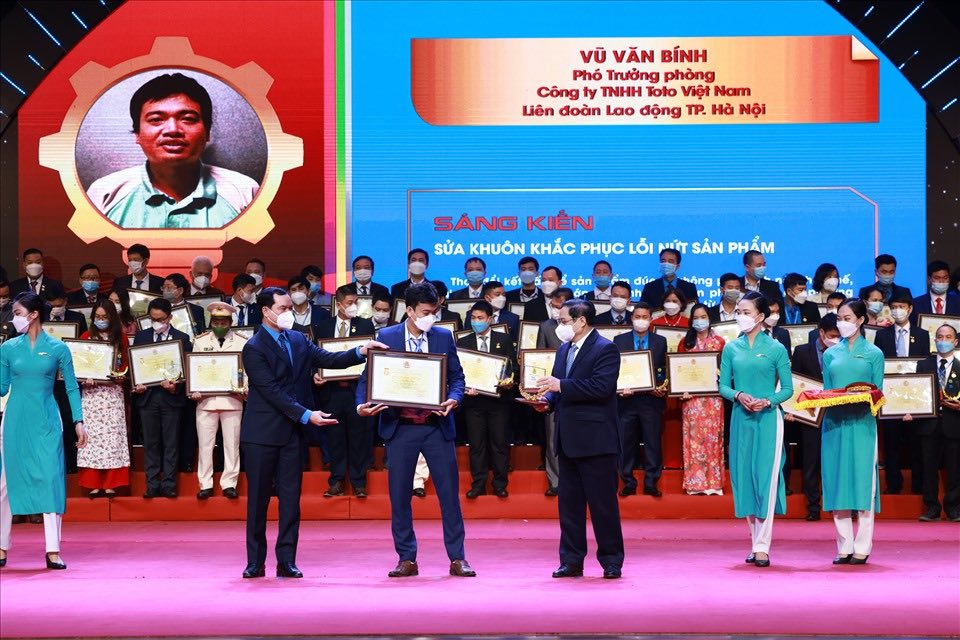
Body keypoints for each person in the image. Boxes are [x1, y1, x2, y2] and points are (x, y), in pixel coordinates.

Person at [240, 287, 378, 579]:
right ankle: (255, 562)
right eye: (282, 308)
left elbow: (329, 359)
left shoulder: (299, 339)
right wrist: (306, 415)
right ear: (266, 311)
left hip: (292, 434)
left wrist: (360, 351)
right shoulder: (253, 347)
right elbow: (271, 391)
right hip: (262, 434)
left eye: (290, 307)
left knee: (291, 501)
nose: (289, 313)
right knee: (259, 501)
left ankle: (286, 560)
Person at [356, 282, 475, 578]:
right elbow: (367, 377)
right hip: (400, 429)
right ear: (409, 311)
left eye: (434, 312)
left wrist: (454, 398)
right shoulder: (387, 336)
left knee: (449, 495)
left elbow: (457, 378)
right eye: (425, 312)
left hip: (436, 427)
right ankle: (406, 557)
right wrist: (361, 405)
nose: (431, 317)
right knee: (399, 497)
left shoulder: (444, 336)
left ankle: (458, 557)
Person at [86, 73, 259, 228]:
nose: (172, 129)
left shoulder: (244, 192)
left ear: (207, 133)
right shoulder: (104, 193)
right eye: (156, 119)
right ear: (137, 133)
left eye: (188, 119)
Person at [533, 298, 624, 579]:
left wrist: (560, 386)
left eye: (563, 321)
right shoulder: (563, 349)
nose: (560, 326)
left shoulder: (605, 348)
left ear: (580, 321)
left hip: (597, 440)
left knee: (603, 506)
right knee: (569, 507)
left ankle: (611, 561)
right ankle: (571, 560)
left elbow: (601, 387)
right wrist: (545, 400)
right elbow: (557, 385)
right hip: (568, 438)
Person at [0, 292, 87, 570]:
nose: (14, 317)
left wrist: (79, 421)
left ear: (33, 314)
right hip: (14, 420)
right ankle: (2, 546)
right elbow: (2, 387)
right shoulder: (8, 348)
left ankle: (53, 549)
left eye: (17, 312)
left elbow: (71, 387)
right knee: (5, 483)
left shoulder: (59, 349)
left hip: (48, 420)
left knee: (50, 478)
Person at [718, 291, 792, 568]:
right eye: (739, 311)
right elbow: (723, 385)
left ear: (761, 317)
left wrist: (768, 400)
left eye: (747, 312)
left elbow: (787, 389)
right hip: (741, 418)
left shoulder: (776, 348)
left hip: (769, 420)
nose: (741, 316)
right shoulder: (731, 348)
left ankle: (763, 546)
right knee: (744, 477)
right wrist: (739, 396)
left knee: (765, 480)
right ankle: (754, 543)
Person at [820, 299, 884, 565]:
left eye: (847, 318)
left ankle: (862, 546)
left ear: (860, 320)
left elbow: (878, 394)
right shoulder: (830, 354)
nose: (842, 323)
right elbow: (825, 392)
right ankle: (843, 546)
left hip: (862, 425)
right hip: (834, 424)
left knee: (862, 484)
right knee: (837, 483)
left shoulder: (874, 353)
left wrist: (863, 399)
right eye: (839, 318)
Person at [315, 286, 375, 498]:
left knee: (358, 437)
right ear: (338, 304)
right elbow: (315, 356)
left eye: (355, 302)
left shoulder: (365, 324)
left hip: (355, 392)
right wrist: (315, 373)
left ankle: (359, 483)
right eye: (349, 303)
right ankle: (337, 481)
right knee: (335, 438)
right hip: (331, 392)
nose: (353, 306)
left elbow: (371, 358)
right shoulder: (323, 326)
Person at [131, 298, 193, 498]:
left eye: (161, 319)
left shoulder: (182, 338)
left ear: (170, 317)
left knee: (171, 443)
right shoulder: (141, 336)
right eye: (153, 319)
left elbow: (187, 370)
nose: (157, 322)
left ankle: (168, 484)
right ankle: (151, 484)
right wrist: (136, 385)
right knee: (151, 443)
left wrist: (177, 386)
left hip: (171, 399)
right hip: (147, 398)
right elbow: (136, 367)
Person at [189, 302, 247, 500]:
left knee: (232, 445)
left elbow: (246, 370)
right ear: (210, 322)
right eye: (215, 321)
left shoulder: (242, 341)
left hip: (232, 400)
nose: (219, 324)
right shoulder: (200, 341)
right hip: (205, 401)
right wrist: (194, 389)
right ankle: (205, 484)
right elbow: (195, 368)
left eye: (223, 321)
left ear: (230, 322)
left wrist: (244, 389)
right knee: (205, 445)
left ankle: (229, 483)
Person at [874, 292, 930, 495]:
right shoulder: (882, 335)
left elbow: (926, 366)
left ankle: (918, 485)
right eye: (894, 306)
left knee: (917, 442)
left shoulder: (922, 334)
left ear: (910, 309)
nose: (898, 310)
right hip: (891, 397)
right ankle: (893, 484)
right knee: (892, 441)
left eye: (902, 306)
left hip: (916, 396)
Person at [458, 301, 515, 498]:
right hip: (473, 402)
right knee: (477, 444)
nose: (476, 322)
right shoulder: (463, 342)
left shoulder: (504, 339)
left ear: (490, 319)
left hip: (498, 401)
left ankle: (500, 484)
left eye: (480, 318)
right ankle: (478, 484)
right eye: (473, 318)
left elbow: (512, 368)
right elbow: (459, 372)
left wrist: (508, 381)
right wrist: (464, 388)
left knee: (499, 443)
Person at [613, 302, 667, 497]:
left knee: (653, 442)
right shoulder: (619, 341)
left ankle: (651, 482)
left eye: (645, 317)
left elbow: (663, 370)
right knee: (626, 442)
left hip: (651, 401)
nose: (641, 320)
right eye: (638, 317)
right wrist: (619, 389)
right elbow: (615, 370)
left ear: (650, 319)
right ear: (631, 318)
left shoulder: (660, 341)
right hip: (626, 401)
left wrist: (660, 387)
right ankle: (628, 481)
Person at [789, 313, 841, 521]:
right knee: (811, 462)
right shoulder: (802, 351)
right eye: (832, 335)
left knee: (838, 461)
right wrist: (792, 409)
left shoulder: (844, 352)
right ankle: (813, 506)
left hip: (836, 414)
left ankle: (843, 505)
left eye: (838, 336)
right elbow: (794, 383)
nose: (835, 339)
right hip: (810, 416)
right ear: (821, 333)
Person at [76, 301, 130, 498]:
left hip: (113, 394)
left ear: (112, 318)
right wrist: (84, 378)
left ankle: (110, 484)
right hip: (91, 396)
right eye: (97, 317)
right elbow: (78, 366)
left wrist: (122, 376)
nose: (100, 320)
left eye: (104, 317)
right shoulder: (85, 337)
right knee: (92, 439)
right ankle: (93, 484)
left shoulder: (121, 338)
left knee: (112, 438)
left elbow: (126, 365)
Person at [913, 324, 960, 522]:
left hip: (954, 424)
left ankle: (954, 508)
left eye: (948, 337)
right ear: (935, 340)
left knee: (955, 469)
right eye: (940, 336)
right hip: (929, 424)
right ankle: (931, 507)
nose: (943, 340)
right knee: (928, 467)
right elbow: (915, 395)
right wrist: (910, 411)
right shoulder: (923, 365)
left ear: (955, 342)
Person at [678, 304, 726, 495]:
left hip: (714, 398)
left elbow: (726, 370)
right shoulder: (685, 342)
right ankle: (694, 484)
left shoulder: (720, 342)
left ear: (709, 318)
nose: (700, 320)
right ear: (691, 320)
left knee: (713, 439)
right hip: (692, 400)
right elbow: (678, 370)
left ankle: (714, 483)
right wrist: (681, 389)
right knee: (693, 440)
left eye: (703, 316)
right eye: (696, 317)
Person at [536, 287, 574, 496]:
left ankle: (572, 481)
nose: (557, 308)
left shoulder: (579, 329)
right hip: (552, 393)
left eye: (561, 305)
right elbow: (538, 357)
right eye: (554, 304)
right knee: (552, 437)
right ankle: (555, 481)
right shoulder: (546, 326)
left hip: (576, 391)